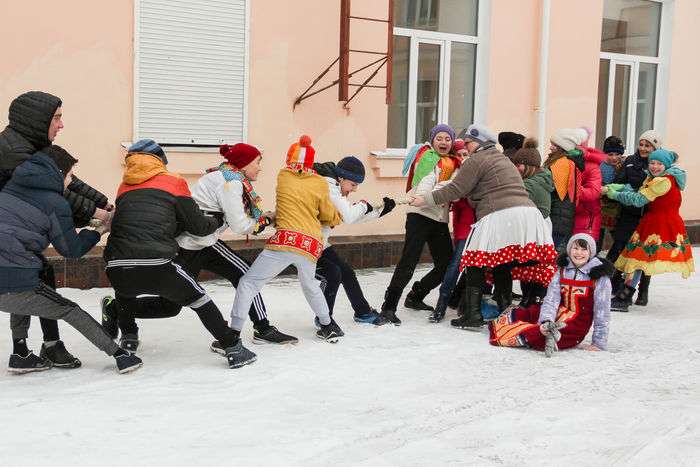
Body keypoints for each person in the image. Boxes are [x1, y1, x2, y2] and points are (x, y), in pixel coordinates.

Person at [101, 142, 299, 352]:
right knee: (170, 306)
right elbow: (238, 224)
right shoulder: (229, 182)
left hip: (206, 241)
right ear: (244, 164)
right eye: (258, 162)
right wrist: (265, 222)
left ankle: (262, 327)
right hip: (187, 245)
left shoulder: (220, 176)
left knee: (245, 275)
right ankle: (116, 308)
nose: (260, 167)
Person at [0, 146, 142, 373]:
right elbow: (71, 249)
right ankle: (120, 354)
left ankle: (20, 352)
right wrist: (100, 230)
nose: (70, 180)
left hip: (11, 273)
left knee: (25, 286)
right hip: (13, 279)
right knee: (68, 309)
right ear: (57, 173)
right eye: (69, 174)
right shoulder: (55, 202)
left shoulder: (10, 188)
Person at [0, 91, 113, 368]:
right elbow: (56, 194)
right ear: (37, 121)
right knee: (33, 278)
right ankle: (43, 348)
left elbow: (68, 180)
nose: (61, 125)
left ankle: (26, 351)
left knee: (36, 275)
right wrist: (98, 214)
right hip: (10, 234)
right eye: (57, 118)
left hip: (14, 234)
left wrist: (102, 201)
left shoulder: (31, 147)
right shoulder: (15, 153)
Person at [411, 123, 556, 329]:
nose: (466, 146)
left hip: (499, 214)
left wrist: (425, 199)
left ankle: (473, 315)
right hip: (527, 214)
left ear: (478, 143)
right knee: (501, 262)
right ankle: (505, 311)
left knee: (474, 262)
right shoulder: (503, 160)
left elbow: (456, 189)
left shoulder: (476, 160)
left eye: (468, 142)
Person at [231, 135, 344, 345]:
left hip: (285, 240)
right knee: (310, 284)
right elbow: (329, 215)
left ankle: (233, 333)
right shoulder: (319, 183)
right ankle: (328, 326)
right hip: (309, 244)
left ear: (289, 159)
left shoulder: (283, 175)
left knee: (249, 283)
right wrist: (333, 217)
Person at [381, 124, 461, 325]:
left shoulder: (453, 162)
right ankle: (388, 307)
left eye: (447, 139)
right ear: (433, 140)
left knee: (446, 265)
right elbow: (427, 180)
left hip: (439, 218)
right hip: (419, 214)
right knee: (409, 261)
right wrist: (424, 197)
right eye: (439, 138)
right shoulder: (427, 157)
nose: (443, 142)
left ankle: (416, 295)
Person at [488, 234, 612, 356]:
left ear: (591, 252)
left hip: (576, 325)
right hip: (558, 313)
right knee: (523, 313)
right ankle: (534, 328)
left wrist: (598, 342)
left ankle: (529, 332)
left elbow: (602, 311)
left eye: (584, 249)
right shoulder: (562, 271)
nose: (579, 253)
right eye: (575, 248)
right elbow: (551, 300)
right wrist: (546, 321)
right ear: (569, 250)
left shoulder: (599, 277)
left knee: (544, 338)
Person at [605, 148, 694, 311]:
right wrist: (619, 187)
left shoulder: (664, 181)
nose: (654, 166)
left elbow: (639, 199)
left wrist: (614, 195)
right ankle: (626, 296)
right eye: (652, 162)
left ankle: (624, 297)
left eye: (659, 163)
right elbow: (637, 190)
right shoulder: (655, 178)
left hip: (660, 225)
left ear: (666, 165)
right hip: (652, 222)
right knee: (637, 260)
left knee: (636, 260)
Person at [313, 156, 396, 326]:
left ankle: (362, 312)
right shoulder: (328, 187)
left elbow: (348, 216)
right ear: (341, 178)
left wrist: (380, 212)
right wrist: (365, 205)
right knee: (333, 274)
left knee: (346, 273)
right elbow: (350, 216)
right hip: (306, 244)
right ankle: (324, 319)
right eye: (353, 184)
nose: (355, 189)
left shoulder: (334, 186)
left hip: (319, 242)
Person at [605, 130, 662, 304]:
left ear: (655, 147)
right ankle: (611, 284)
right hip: (629, 212)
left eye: (648, 145)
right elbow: (620, 182)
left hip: (649, 215)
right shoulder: (630, 161)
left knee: (645, 253)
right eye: (642, 144)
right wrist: (627, 190)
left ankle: (642, 291)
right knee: (619, 247)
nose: (643, 148)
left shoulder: (659, 165)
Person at [430, 139, 476, 323]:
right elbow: (450, 193)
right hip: (464, 225)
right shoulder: (456, 173)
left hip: (479, 223)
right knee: (456, 264)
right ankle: (440, 306)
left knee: (475, 266)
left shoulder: (474, 170)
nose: (463, 158)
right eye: (459, 154)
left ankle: (463, 302)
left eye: (466, 154)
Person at [508, 138, 554, 306]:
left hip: (534, 229)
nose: (516, 168)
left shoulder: (529, 184)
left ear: (529, 166)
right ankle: (532, 299)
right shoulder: (543, 178)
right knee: (533, 267)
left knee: (532, 266)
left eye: (519, 165)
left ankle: (532, 301)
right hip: (540, 228)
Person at [544, 128, 586, 252]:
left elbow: (551, 189)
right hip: (563, 217)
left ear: (563, 147)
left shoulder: (561, 163)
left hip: (556, 217)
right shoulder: (569, 162)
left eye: (554, 145)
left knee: (550, 254)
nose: (551, 147)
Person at [571, 129, 606, 242]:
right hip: (566, 215)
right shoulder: (564, 162)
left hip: (586, 218)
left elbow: (593, 192)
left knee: (582, 254)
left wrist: (570, 188)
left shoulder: (592, 165)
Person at [599, 136, 625, 250]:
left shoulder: (625, 165)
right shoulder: (600, 166)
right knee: (599, 234)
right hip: (603, 206)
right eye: (610, 154)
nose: (614, 158)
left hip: (619, 206)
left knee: (618, 237)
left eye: (617, 154)